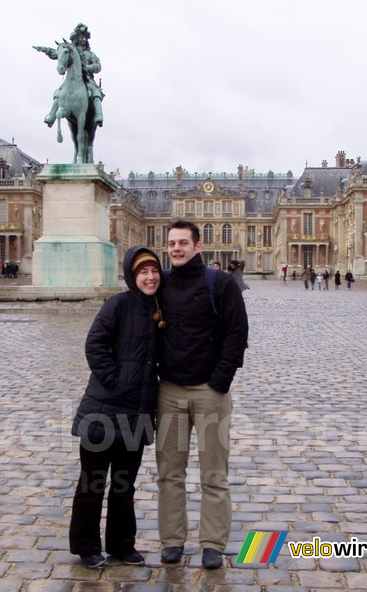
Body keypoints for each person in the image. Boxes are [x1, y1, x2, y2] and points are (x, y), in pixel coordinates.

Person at [156, 220, 249, 570]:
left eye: (183, 243)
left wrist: (219, 382)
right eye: (171, 243)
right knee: (169, 472)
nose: (176, 248)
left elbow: (237, 334)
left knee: (214, 472)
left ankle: (212, 543)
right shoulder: (159, 285)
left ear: (198, 246)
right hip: (168, 391)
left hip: (210, 391)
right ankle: (172, 541)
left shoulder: (220, 284)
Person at [69, 246, 163, 568]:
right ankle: (86, 546)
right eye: (142, 272)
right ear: (131, 276)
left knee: (124, 485)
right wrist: (116, 381)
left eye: (154, 271)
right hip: (103, 411)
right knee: (92, 483)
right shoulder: (118, 304)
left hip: (136, 413)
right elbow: (94, 344)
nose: (150, 277)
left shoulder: (159, 309)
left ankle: (122, 544)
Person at [35, 23, 105, 128]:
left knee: (96, 92)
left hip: (87, 79)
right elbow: (57, 54)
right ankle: (52, 115)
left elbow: (98, 66)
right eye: (80, 37)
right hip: (71, 79)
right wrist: (45, 50)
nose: (82, 39)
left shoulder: (90, 54)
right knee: (58, 93)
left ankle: (99, 115)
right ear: (76, 38)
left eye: (84, 37)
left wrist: (88, 67)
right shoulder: (71, 50)